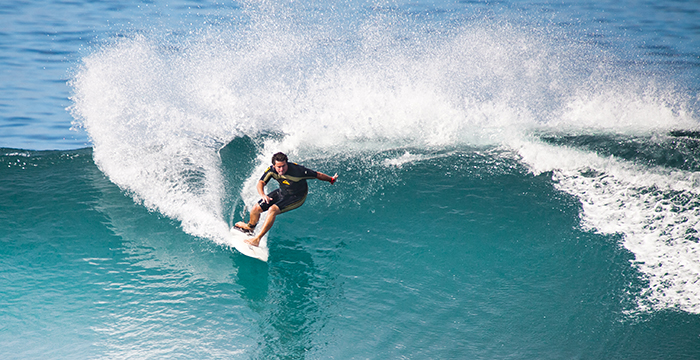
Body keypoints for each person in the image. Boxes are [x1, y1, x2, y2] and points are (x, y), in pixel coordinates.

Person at [234, 152, 338, 247]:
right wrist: (263, 195)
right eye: (279, 167)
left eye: (284, 166)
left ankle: (257, 239)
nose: (281, 169)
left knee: (272, 210)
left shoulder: (298, 171)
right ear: (274, 166)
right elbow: (261, 182)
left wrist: (331, 179)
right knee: (256, 208)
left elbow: (317, 174)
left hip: (297, 197)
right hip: (282, 192)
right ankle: (250, 228)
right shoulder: (271, 170)